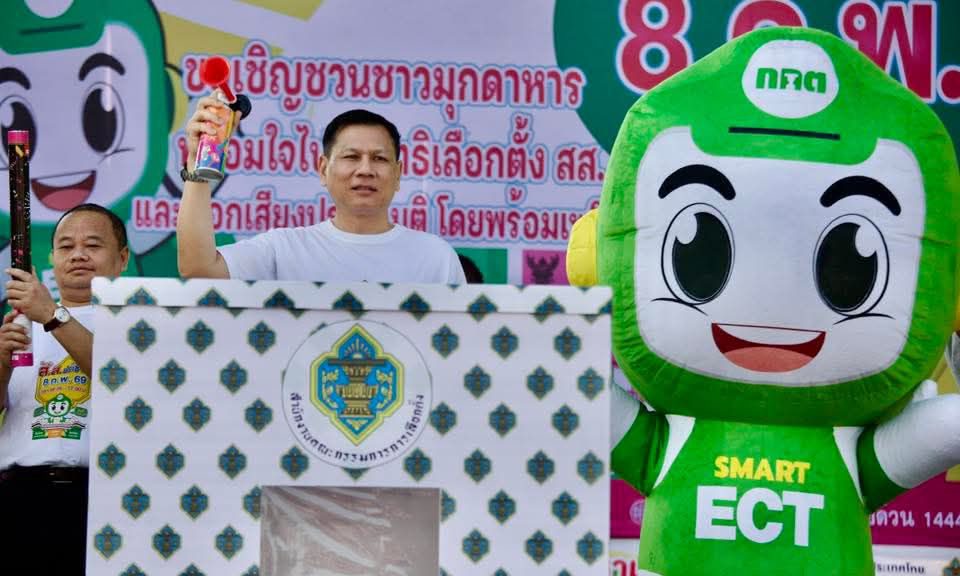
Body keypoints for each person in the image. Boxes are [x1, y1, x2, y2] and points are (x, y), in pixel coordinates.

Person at [177, 104, 466, 283]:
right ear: (323, 169)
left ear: (398, 173)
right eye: (351, 157)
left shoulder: (436, 258)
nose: (365, 170)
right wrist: (197, 163)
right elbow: (198, 268)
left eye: (379, 158)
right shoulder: (284, 249)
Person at [0, 203, 130, 571]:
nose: (78, 255)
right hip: (20, 497)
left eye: (93, 245)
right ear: (52, 258)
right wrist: (3, 362)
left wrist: (52, 316)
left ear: (122, 258)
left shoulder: (137, 321)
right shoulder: (21, 324)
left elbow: (120, 380)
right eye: (66, 246)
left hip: (103, 498)